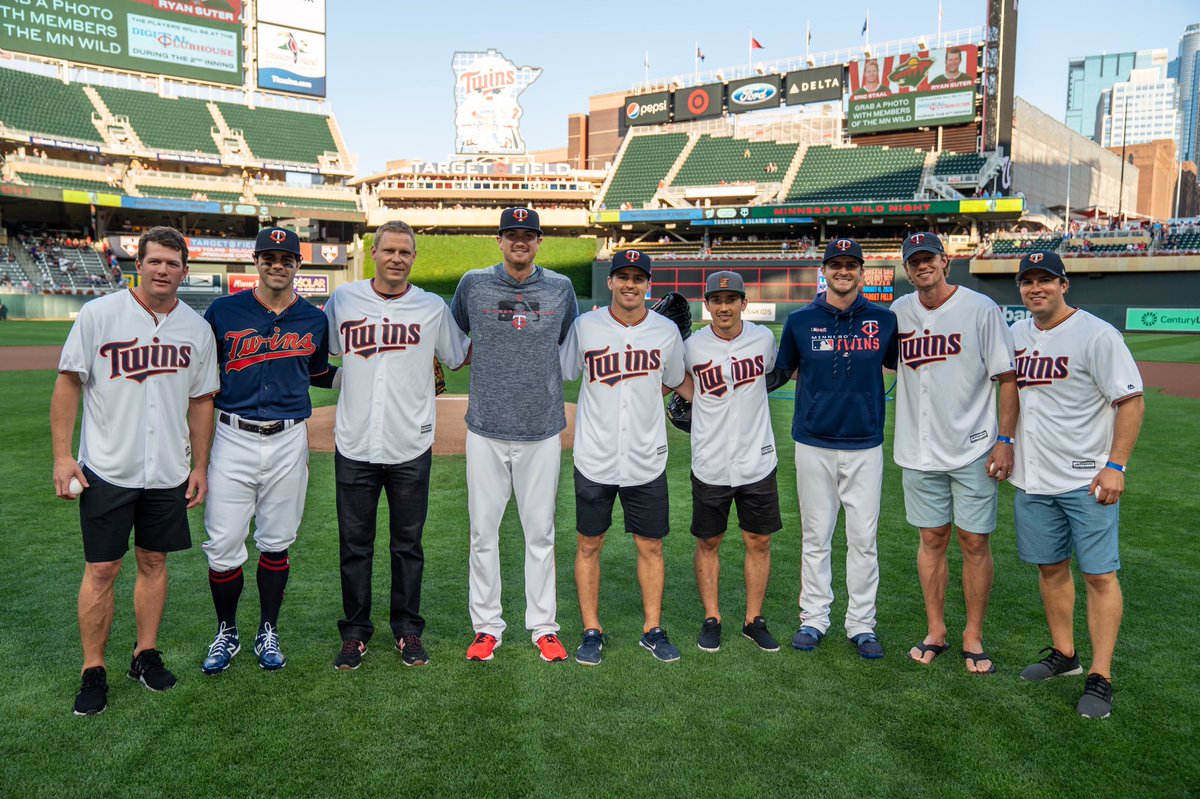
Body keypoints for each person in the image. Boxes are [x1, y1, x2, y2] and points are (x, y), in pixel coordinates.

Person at [51, 226, 219, 716]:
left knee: (154, 563)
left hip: (167, 469)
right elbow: (68, 385)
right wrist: (63, 457)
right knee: (102, 568)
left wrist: (200, 465)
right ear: (137, 266)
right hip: (107, 467)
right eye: (155, 261)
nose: (163, 270)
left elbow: (202, 401)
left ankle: (144, 654)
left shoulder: (196, 328)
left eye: (173, 263)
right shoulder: (99, 315)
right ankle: (93, 668)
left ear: (184, 270)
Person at [324, 221, 470, 670]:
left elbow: (457, 355)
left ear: (413, 257)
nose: (397, 258)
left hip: (410, 443)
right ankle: (355, 632)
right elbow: (322, 353)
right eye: (389, 250)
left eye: (405, 252)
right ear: (373, 251)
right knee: (355, 544)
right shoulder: (344, 299)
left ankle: (408, 631)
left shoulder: (430, 306)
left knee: (408, 544)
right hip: (355, 441)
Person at [1009, 251, 1144, 719]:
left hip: (1087, 480)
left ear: (1064, 284)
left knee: (1100, 575)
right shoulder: (1015, 335)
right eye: (1028, 281)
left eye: (1045, 279)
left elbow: (1130, 401)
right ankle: (1065, 655)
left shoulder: (1097, 334)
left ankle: (1101, 675)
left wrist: (1117, 466)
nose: (1035, 288)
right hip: (1032, 478)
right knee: (1050, 569)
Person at [198, 227, 336, 675]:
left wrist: (389, 370)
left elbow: (317, 372)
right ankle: (227, 631)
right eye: (269, 257)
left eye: (287, 258)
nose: (278, 264)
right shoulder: (222, 311)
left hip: (289, 439)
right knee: (223, 545)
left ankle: (267, 629)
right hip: (232, 435)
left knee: (276, 541)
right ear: (256, 261)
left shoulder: (314, 319)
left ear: (299, 265)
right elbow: (200, 375)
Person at [450, 207, 578, 663]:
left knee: (539, 533)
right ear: (499, 240)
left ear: (539, 241)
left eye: (529, 234)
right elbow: (455, 334)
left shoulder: (560, 288)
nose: (520, 241)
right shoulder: (473, 283)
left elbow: (564, 341)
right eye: (512, 234)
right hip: (485, 427)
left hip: (542, 428)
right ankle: (487, 627)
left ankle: (544, 627)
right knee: (483, 533)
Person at [891, 232, 1017, 674]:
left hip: (973, 446)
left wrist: (1006, 440)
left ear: (946, 261)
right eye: (914, 261)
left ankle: (973, 635)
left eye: (929, 259)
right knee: (931, 539)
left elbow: (1007, 377)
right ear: (906, 269)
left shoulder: (980, 309)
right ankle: (936, 630)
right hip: (917, 448)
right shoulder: (898, 312)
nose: (922, 266)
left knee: (974, 541)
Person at [560, 249, 689, 665]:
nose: (630, 284)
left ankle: (652, 629)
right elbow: (564, 372)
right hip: (594, 456)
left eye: (638, 277)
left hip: (646, 457)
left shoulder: (665, 331)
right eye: (623, 276)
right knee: (588, 543)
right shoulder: (585, 327)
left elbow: (672, 382)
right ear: (611, 282)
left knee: (651, 546)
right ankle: (591, 630)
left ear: (647, 284)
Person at [776, 238, 898, 659]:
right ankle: (814, 617)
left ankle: (861, 624)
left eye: (851, 265)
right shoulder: (800, 320)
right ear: (823, 271)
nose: (843, 271)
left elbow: (903, 367)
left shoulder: (884, 320)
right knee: (816, 535)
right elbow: (782, 372)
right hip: (813, 441)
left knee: (863, 538)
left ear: (862, 272)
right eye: (836, 265)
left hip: (865, 443)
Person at [675, 271, 787, 654]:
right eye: (716, 299)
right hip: (710, 459)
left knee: (758, 539)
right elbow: (679, 385)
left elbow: (775, 373)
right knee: (709, 540)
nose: (724, 306)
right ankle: (712, 617)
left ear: (744, 302)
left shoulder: (763, 339)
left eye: (732, 299)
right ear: (706, 304)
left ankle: (753, 620)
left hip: (757, 458)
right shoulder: (691, 347)